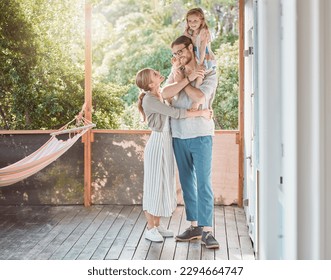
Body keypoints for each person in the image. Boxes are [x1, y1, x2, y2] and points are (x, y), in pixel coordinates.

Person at [136, 68, 212, 243]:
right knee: (153, 186)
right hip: (157, 145)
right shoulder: (149, 99)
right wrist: (201, 113)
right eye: (154, 74)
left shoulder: (160, 95)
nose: (158, 73)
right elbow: (176, 113)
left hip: (166, 143)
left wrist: (178, 68)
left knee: (163, 185)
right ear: (150, 83)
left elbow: (174, 86)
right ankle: (150, 228)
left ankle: (157, 225)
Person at [161, 35, 219, 249]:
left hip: (201, 135)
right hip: (178, 135)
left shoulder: (209, 71)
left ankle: (207, 231)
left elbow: (198, 98)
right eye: (175, 53)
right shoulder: (176, 72)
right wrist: (184, 79)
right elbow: (164, 93)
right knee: (187, 184)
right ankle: (194, 227)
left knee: (204, 183)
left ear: (191, 48)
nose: (178, 56)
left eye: (181, 51)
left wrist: (182, 80)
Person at [183, 7, 217, 110]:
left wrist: (200, 63)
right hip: (194, 57)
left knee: (199, 76)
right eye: (190, 21)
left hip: (204, 57)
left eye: (195, 21)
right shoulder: (189, 32)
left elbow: (202, 49)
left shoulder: (203, 32)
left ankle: (196, 103)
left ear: (201, 20)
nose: (192, 23)